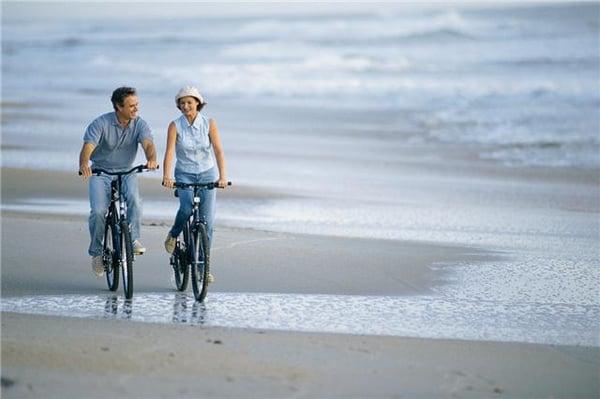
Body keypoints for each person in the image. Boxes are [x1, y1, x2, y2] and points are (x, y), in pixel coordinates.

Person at [79, 86, 158, 277]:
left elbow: (148, 144)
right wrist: (84, 163)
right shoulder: (100, 123)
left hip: (127, 171)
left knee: (135, 201)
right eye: (131, 106)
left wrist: (152, 159)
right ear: (118, 107)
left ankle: (132, 240)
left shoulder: (139, 124)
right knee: (98, 211)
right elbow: (88, 147)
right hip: (100, 172)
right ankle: (97, 252)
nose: (135, 109)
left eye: (137, 104)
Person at [162, 86, 228, 283]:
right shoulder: (175, 126)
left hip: (207, 173)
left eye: (189, 102)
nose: (185, 106)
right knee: (186, 207)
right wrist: (167, 176)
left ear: (198, 103)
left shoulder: (209, 123)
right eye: (182, 103)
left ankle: (203, 267)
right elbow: (170, 152)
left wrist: (222, 176)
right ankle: (173, 235)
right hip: (184, 175)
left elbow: (218, 150)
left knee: (207, 224)